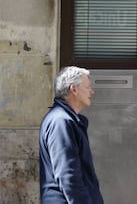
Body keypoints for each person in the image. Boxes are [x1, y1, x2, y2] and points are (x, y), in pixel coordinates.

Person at [39, 66, 104, 204]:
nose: (92, 92)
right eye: (88, 87)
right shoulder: (61, 122)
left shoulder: (65, 120)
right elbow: (68, 176)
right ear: (74, 89)